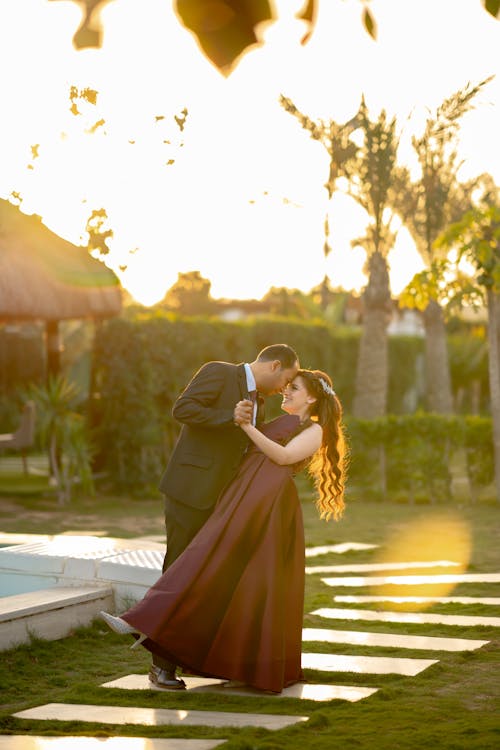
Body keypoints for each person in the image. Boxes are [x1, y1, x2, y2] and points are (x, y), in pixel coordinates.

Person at [101, 369, 347, 694]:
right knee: (209, 563)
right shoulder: (277, 422)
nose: (285, 392)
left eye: (294, 388)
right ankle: (148, 621)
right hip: (242, 495)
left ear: (312, 397)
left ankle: (143, 619)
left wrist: (246, 427)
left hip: (267, 504)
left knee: (226, 569)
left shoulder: (314, 429)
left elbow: (284, 456)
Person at [146, 344, 299, 688]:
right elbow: (182, 409)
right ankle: (160, 667)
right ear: (275, 365)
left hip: (223, 502)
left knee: (211, 578)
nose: (283, 388)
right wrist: (227, 416)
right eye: (286, 379)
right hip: (189, 492)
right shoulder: (218, 371)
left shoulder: (260, 402)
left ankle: (197, 658)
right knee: (179, 575)